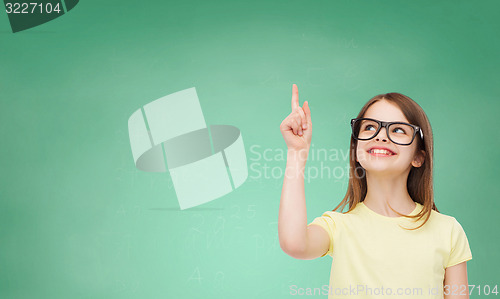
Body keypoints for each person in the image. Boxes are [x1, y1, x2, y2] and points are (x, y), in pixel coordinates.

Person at [278, 84, 472, 299]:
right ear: (356, 151)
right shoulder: (338, 227)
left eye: (398, 129)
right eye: (369, 127)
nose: (380, 136)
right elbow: (294, 244)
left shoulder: (448, 231)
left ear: (419, 157)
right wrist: (297, 153)